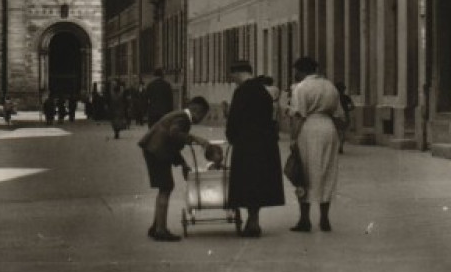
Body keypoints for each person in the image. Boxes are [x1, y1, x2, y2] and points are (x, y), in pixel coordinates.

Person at [138, 95, 215, 241]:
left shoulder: (180, 116)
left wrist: (183, 164)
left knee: (164, 187)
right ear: (196, 110)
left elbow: (172, 143)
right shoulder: (183, 119)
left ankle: (156, 226)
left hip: (154, 150)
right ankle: (160, 230)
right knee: (166, 187)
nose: (202, 119)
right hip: (157, 151)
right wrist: (196, 139)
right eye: (202, 115)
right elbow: (174, 134)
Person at [224, 61, 284, 238]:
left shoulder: (241, 91)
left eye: (232, 76)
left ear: (238, 73)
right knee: (257, 182)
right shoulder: (262, 90)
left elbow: (234, 118)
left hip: (246, 143)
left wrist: (231, 136)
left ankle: (252, 222)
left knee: (246, 182)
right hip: (264, 143)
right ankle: (254, 220)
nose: (232, 80)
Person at [287, 56, 345, 233]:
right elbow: (340, 116)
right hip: (328, 128)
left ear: (301, 70)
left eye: (295, 70)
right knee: (327, 171)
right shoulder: (330, 86)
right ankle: (324, 219)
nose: (294, 74)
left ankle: (304, 219)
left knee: (304, 172)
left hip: (308, 128)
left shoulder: (301, 87)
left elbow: (298, 115)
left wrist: (293, 138)